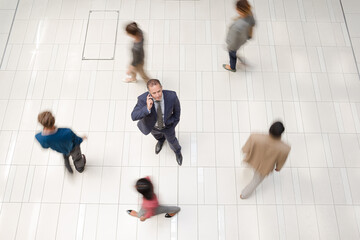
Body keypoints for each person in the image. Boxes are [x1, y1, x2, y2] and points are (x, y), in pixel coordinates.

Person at [131, 79, 183, 166]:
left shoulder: (171, 96)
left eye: (159, 91)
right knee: (158, 136)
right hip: (153, 127)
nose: (157, 95)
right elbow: (134, 116)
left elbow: (177, 112)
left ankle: (177, 151)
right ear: (149, 92)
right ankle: (161, 141)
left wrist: (173, 124)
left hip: (168, 126)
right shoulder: (143, 99)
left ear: (162, 88)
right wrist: (147, 108)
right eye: (154, 93)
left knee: (172, 141)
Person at [240, 121, 291, 199]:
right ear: (281, 133)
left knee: (251, 169)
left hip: (252, 159)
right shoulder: (285, 148)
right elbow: (281, 161)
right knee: (255, 181)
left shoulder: (255, 136)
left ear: (270, 128)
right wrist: (278, 168)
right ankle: (244, 194)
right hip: (264, 167)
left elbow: (245, 149)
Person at [223, 0, 255, 72]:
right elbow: (253, 23)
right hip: (244, 38)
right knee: (235, 52)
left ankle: (232, 67)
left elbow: (233, 39)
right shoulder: (250, 14)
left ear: (240, 10)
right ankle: (240, 59)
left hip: (234, 44)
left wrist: (229, 46)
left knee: (232, 54)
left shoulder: (237, 26)